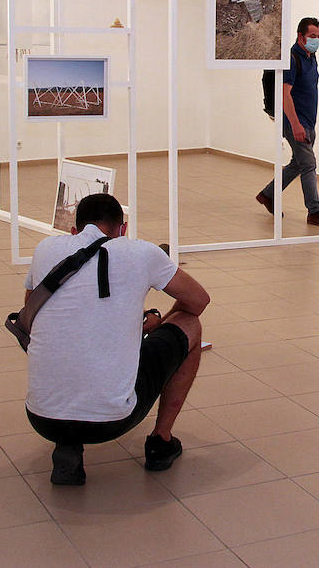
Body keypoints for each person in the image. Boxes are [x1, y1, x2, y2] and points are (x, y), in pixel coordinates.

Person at [22, 192, 208, 485]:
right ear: (123, 229)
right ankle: (161, 441)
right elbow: (198, 301)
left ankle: (67, 443)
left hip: (41, 417)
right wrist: (159, 323)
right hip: (111, 421)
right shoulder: (142, 252)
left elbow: (32, 308)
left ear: (74, 229)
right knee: (191, 325)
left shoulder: (46, 248)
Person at [256, 17, 319, 227]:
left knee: (298, 164)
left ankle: (268, 194)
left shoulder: (311, 56)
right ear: (300, 36)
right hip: (294, 121)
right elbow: (285, 94)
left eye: (318, 36)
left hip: (308, 120)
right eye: (312, 36)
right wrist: (296, 125)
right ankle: (314, 212)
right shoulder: (291, 58)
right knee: (309, 164)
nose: (316, 40)